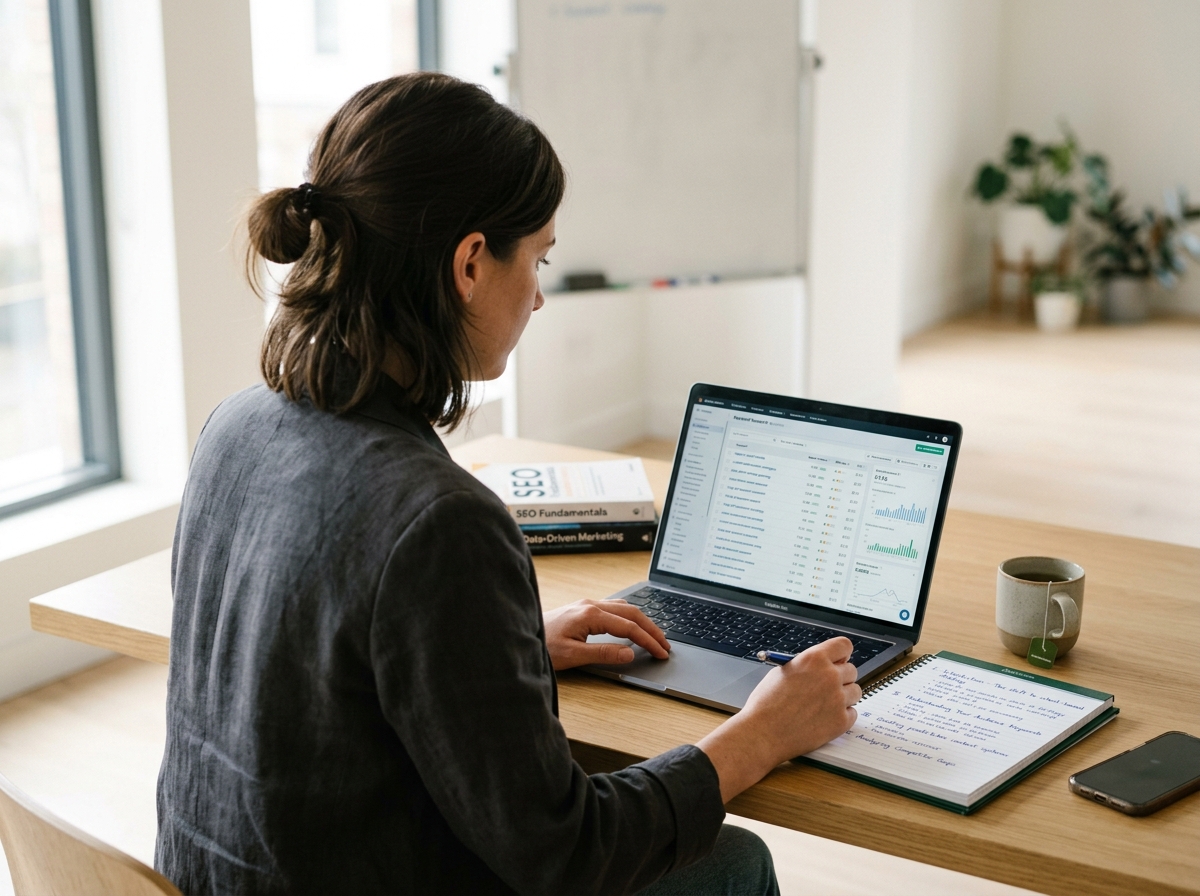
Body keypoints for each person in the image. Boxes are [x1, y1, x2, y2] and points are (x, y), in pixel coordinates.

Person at [155, 72, 860, 896]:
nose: (538, 295)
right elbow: (565, 856)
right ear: (468, 263)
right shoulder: (441, 523)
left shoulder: (234, 425)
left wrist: (503, 645)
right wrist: (763, 732)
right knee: (737, 867)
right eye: (538, 259)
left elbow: (317, 665)